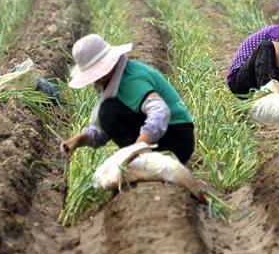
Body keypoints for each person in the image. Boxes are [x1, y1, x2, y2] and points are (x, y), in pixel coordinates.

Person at [60, 34, 195, 165]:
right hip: (169, 137)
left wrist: (135, 151)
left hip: (177, 139)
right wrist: (77, 141)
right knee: (108, 112)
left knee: (108, 111)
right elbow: (104, 130)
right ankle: (140, 159)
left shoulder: (131, 79)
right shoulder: (112, 83)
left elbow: (161, 112)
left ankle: (140, 160)